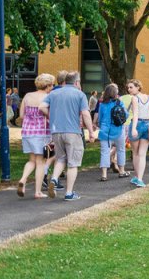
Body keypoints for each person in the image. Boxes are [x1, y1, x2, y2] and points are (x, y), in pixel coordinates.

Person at [40, 71, 95, 201]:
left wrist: (50, 116)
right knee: (73, 163)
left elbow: (41, 107)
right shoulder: (80, 94)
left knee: (60, 159)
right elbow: (86, 114)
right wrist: (91, 132)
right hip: (73, 132)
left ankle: (53, 178)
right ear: (76, 82)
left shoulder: (53, 93)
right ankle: (69, 193)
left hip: (56, 132)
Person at [16, 73, 55, 199]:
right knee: (41, 162)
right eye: (52, 85)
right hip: (42, 133)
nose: (53, 87)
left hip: (27, 132)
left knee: (31, 160)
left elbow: (21, 115)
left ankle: (23, 179)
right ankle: (37, 192)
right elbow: (51, 115)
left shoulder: (27, 96)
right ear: (48, 85)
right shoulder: (48, 97)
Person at [128, 79, 149, 187]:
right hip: (147, 125)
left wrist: (133, 129)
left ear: (138, 87)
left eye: (131, 87)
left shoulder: (134, 98)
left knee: (135, 153)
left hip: (137, 125)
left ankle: (137, 177)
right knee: (142, 154)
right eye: (128, 87)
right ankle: (139, 179)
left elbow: (136, 114)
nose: (129, 89)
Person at [93, 84, 129, 181]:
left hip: (105, 131)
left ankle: (104, 174)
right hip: (118, 130)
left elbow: (100, 119)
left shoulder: (102, 105)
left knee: (104, 152)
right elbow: (126, 114)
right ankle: (122, 171)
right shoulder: (119, 103)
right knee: (121, 150)